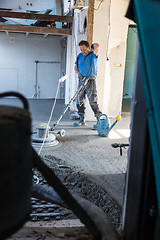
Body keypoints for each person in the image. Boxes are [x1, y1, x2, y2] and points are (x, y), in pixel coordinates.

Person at [74, 40, 102, 127]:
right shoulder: (80, 55)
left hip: (90, 80)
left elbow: (97, 46)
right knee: (79, 100)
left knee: (93, 101)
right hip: (81, 79)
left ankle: (100, 121)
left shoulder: (93, 55)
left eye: (84, 50)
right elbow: (75, 66)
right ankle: (82, 119)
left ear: (89, 48)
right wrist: (79, 73)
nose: (82, 52)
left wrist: (91, 48)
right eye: (81, 50)